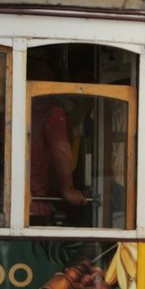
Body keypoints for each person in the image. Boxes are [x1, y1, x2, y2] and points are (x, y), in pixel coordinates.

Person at [30, 95, 85, 223]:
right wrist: (68, 189)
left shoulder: (10, 100)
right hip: (34, 202)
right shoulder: (50, 109)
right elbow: (61, 151)